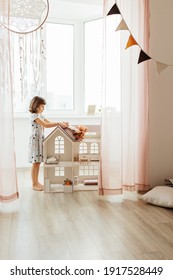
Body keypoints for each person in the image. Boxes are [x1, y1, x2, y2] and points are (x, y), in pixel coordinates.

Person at [28, 96, 68, 191]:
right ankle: (34, 183)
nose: (43, 108)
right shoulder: (34, 116)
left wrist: (61, 123)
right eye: (42, 106)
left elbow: (49, 123)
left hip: (39, 140)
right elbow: (45, 125)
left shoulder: (41, 116)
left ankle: (36, 182)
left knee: (38, 162)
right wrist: (58, 123)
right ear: (36, 106)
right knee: (35, 163)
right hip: (35, 141)